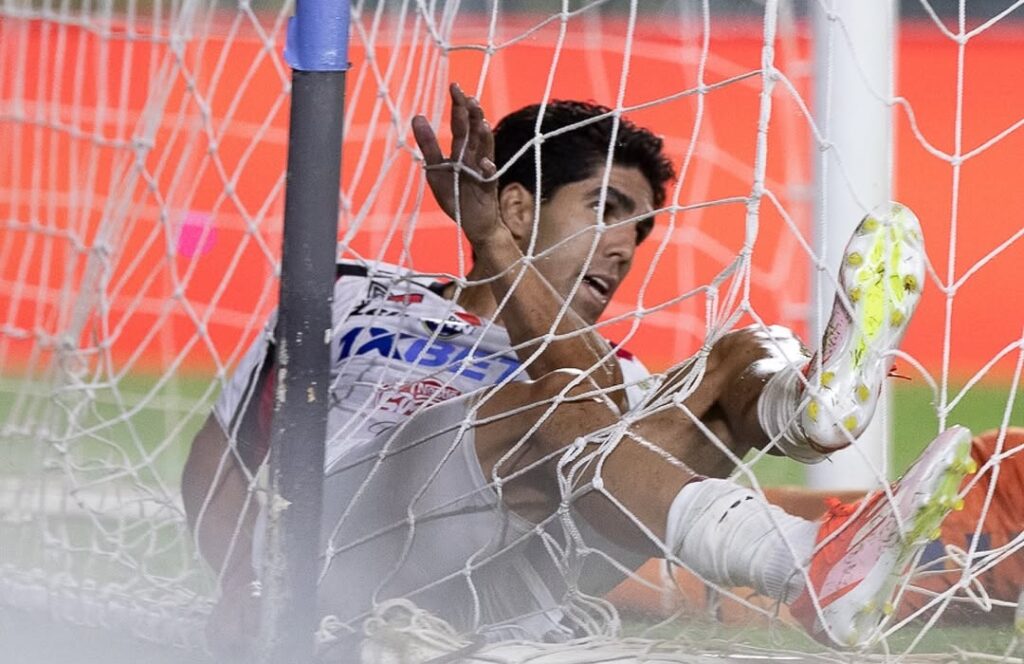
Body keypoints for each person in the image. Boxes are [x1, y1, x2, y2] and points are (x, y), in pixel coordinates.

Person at [181, 83, 974, 659]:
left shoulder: (609, 373)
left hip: (505, 577)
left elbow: (581, 390)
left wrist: (497, 249)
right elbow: (220, 459)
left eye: (641, 229)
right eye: (605, 209)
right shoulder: (353, 291)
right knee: (560, 400)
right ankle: (799, 563)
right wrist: (243, 585)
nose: (626, 247)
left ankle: (811, 409)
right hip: (340, 546)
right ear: (518, 208)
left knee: (733, 356)